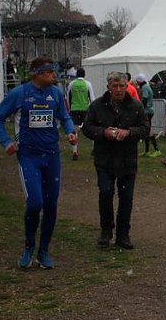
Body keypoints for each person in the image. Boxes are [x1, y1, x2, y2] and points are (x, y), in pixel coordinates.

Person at [0, 57, 77, 269]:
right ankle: (29, 245)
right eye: (50, 72)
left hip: (52, 155)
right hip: (29, 156)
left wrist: (70, 131)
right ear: (37, 73)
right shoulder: (19, 93)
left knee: (51, 204)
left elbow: (64, 116)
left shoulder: (56, 93)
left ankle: (44, 251)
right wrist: (6, 142)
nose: (54, 75)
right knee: (35, 202)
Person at [81, 72, 148, 249]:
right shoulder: (97, 106)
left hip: (128, 159)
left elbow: (144, 129)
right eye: (114, 86)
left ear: (127, 87)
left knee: (126, 198)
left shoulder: (135, 106)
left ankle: (123, 234)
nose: (118, 90)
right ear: (108, 87)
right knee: (105, 193)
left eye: (121, 86)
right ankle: (106, 230)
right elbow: (87, 128)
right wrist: (103, 132)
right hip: (104, 158)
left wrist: (129, 133)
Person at [67, 68, 96, 161]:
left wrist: (69, 108)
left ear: (76, 74)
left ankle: (75, 151)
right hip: (85, 109)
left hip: (74, 109)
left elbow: (68, 97)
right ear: (84, 74)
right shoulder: (88, 84)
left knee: (74, 131)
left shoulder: (71, 84)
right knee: (91, 128)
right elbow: (92, 98)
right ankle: (94, 149)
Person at [136, 74, 160, 156]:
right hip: (148, 111)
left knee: (148, 130)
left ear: (139, 81)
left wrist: (141, 110)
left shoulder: (144, 88)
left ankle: (157, 150)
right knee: (147, 131)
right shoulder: (145, 86)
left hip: (147, 111)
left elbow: (145, 99)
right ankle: (147, 151)